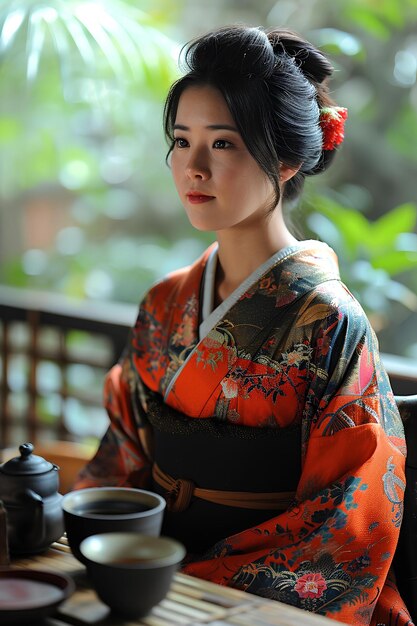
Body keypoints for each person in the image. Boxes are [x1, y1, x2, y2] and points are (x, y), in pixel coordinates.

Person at [74, 25, 412, 626]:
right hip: (149, 568)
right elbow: (123, 455)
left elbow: (347, 513)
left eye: (223, 144)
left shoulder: (328, 322)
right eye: (181, 141)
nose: (192, 167)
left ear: (284, 160)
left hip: (256, 593)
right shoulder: (164, 303)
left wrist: (194, 585)